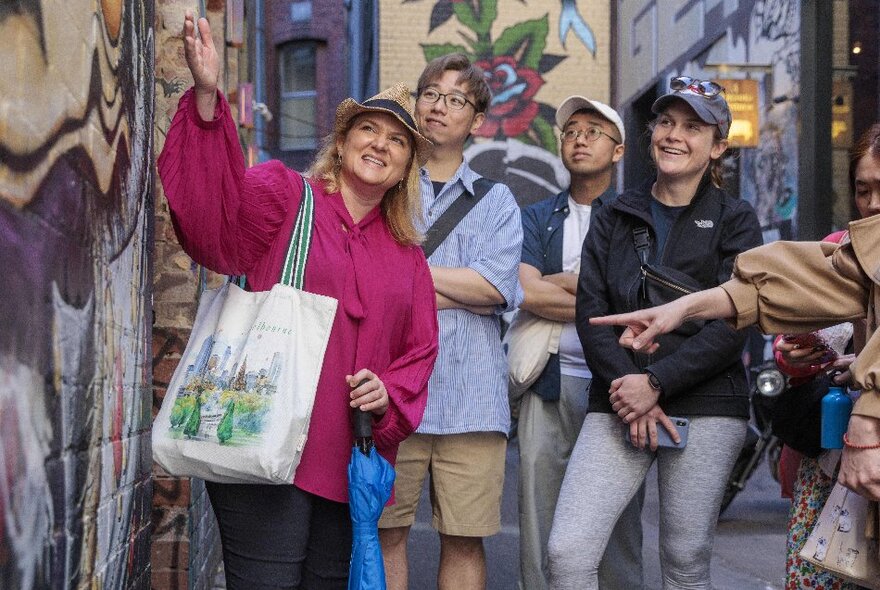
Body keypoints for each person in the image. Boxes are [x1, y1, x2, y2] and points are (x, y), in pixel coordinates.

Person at [157, 13, 439, 589]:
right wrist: (210, 104)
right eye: (368, 130)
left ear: (408, 167)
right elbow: (214, 224)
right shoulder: (287, 196)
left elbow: (419, 354)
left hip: (346, 460)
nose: (379, 145)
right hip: (260, 441)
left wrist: (388, 394)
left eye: (397, 141)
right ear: (342, 141)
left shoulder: (409, 258)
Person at [547, 76, 763, 589]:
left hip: (707, 401)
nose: (674, 135)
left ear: (718, 146)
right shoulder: (614, 212)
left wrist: (658, 383)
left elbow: (734, 321)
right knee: (567, 553)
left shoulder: (737, 220)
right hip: (620, 395)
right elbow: (592, 310)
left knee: (685, 561)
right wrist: (632, 390)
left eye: (693, 126)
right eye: (666, 121)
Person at [588, 136, 880, 504]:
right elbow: (764, 291)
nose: (874, 204)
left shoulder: (733, 215)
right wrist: (679, 309)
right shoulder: (849, 252)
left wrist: (866, 418)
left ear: (718, 145)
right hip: (839, 456)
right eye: (862, 189)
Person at [378, 54, 523, 590]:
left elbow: (495, 288)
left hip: (473, 401)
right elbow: (372, 284)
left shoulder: (497, 200)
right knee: (383, 531)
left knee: (465, 539)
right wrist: (462, 290)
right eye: (430, 94)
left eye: (456, 98)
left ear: (477, 119)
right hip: (391, 393)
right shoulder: (386, 187)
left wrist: (408, 278)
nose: (440, 106)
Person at [516, 96, 644, 590]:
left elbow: (638, 299)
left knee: (618, 524)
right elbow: (525, 292)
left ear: (618, 151)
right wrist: (597, 293)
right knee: (537, 514)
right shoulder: (535, 216)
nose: (580, 138)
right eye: (571, 131)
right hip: (548, 381)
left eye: (594, 131)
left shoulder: (636, 217)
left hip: (617, 388)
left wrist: (564, 282)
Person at [762, 123, 880, 589]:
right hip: (831, 457)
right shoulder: (836, 250)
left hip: (866, 447)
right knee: (816, 577)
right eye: (862, 189)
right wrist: (797, 353)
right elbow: (794, 347)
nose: (872, 202)